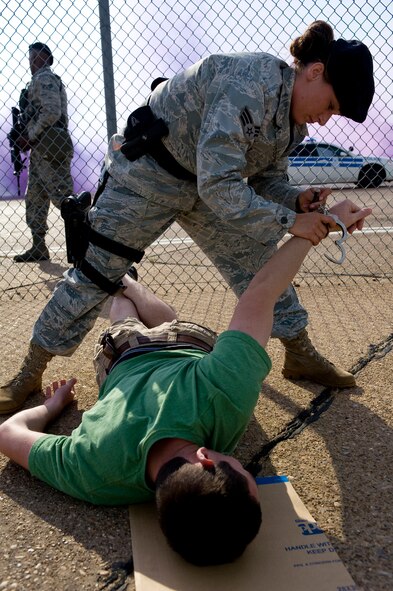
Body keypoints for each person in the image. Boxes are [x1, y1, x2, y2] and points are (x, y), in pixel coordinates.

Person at [0, 21, 375, 414]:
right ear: (315, 72)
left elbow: (266, 181)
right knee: (96, 271)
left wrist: (298, 200)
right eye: (331, 105)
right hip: (148, 175)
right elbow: (221, 186)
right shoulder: (250, 83)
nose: (325, 119)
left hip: (206, 184)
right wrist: (288, 222)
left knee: (261, 264)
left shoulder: (293, 121)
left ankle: (300, 354)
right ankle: (29, 374)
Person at [0, 200, 372, 565]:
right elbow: (7, 434)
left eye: (244, 469)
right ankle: (123, 280)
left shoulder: (226, 395)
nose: (246, 463)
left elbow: (259, 294)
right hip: (133, 356)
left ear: (206, 460)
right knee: (152, 320)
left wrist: (321, 226)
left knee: (126, 318)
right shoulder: (94, 474)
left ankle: (118, 281)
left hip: (166, 348)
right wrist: (52, 408)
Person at [13, 42, 74, 262]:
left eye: (34, 58)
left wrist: (29, 135)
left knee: (64, 198)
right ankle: (39, 247)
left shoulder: (44, 78)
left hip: (50, 146)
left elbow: (51, 112)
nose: (31, 63)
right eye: (30, 59)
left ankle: (88, 246)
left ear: (44, 59)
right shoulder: (37, 80)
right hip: (43, 147)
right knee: (36, 197)